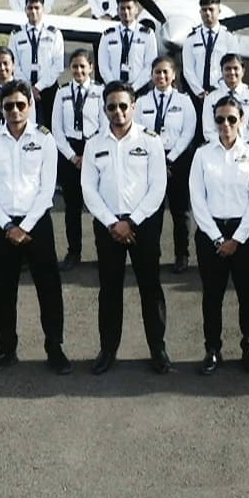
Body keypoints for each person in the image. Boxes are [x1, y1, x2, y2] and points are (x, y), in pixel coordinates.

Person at [0, 79, 68, 374]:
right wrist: (7, 225)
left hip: (36, 223)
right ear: (2, 109)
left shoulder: (44, 139)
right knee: (2, 290)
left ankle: (54, 348)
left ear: (30, 105)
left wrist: (25, 226)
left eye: (20, 105)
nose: (15, 111)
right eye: (8, 106)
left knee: (49, 288)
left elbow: (47, 188)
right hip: (2, 224)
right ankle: (5, 348)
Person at [83, 81, 172, 374]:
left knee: (151, 287)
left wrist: (132, 221)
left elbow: (158, 186)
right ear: (105, 109)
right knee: (109, 290)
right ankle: (108, 350)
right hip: (108, 226)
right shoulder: (94, 143)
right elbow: (89, 189)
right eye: (112, 106)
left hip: (142, 225)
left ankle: (158, 349)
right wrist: (113, 223)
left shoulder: (150, 140)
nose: (118, 112)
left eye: (123, 105)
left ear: (133, 106)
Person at [190, 95, 249, 374]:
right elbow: (197, 199)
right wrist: (217, 239)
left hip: (244, 233)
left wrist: (237, 238)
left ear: (241, 121)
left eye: (231, 119)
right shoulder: (202, 154)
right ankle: (212, 349)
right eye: (220, 119)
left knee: (248, 293)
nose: (225, 124)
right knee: (212, 295)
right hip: (211, 233)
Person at [135, 56, 199, 272]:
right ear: (151, 75)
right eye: (157, 72)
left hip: (177, 161)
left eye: (165, 72)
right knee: (152, 212)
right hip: (150, 161)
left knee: (180, 212)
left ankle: (182, 255)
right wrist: (156, 158)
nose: (161, 76)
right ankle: (151, 253)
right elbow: (138, 132)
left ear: (173, 75)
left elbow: (188, 132)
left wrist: (170, 158)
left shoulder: (184, 101)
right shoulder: (142, 102)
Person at [52, 49, 105, 271]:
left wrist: (88, 155)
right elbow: (56, 128)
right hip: (70, 153)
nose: (79, 70)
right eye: (74, 66)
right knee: (72, 207)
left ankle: (104, 251)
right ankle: (74, 251)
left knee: (98, 205)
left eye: (83, 66)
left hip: (93, 149)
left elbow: (105, 125)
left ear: (91, 68)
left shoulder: (100, 92)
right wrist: (73, 156)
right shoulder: (62, 93)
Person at [8, 0, 64, 129]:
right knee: (24, 126)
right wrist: (29, 87)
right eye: (30, 8)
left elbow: (58, 65)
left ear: (43, 9)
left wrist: (38, 87)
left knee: (51, 127)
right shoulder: (16, 34)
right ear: (25, 10)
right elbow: (13, 64)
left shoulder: (54, 33)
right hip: (23, 89)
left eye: (37, 8)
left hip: (48, 89)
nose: (33, 11)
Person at [98, 0, 160, 94]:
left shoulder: (147, 34)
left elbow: (150, 65)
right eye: (122, 8)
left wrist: (133, 88)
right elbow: (103, 66)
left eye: (129, 8)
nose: (126, 12)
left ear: (136, 10)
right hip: (114, 90)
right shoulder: (108, 35)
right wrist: (116, 87)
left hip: (140, 89)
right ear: (117, 11)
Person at [183, 0, 239, 103]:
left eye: (211, 9)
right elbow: (188, 69)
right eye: (204, 10)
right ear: (200, 12)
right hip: (197, 95)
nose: (207, 13)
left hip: (222, 93)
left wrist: (220, 90)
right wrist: (199, 91)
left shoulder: (229, 38)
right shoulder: (191, 39)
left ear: (219, 11)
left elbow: (233, 67)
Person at [202, 53, 249, 147]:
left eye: (236, 68)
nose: (232, 72)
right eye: (227, 69)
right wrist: (224, 146)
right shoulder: (211, 96)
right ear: (221, 71)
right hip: (217, 149)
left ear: (243, 71)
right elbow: (208, 129)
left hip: (244, 150)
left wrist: (241, 148)